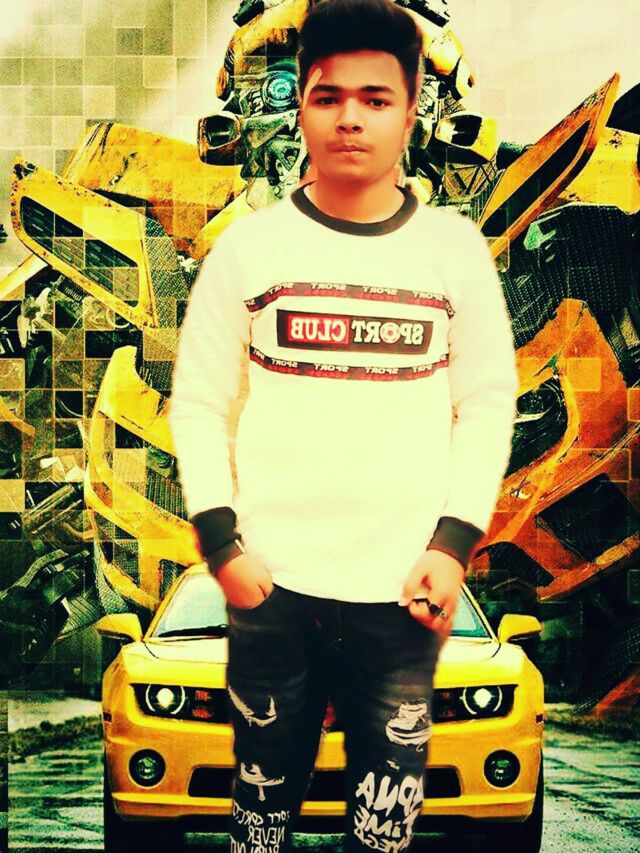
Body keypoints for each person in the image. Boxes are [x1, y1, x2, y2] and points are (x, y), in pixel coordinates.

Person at [169, 1, 519, 849]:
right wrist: (225, 547)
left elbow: (486, 401)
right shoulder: (246, 250)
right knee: (259, 814)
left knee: (386, 821)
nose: (351, 119)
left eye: (376, 98)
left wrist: (450, 547)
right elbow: (200, 402)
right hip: (271, 586)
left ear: (412, 112)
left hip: (403, 594)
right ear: (300, 108)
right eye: (328, 97)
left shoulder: (455, 253)